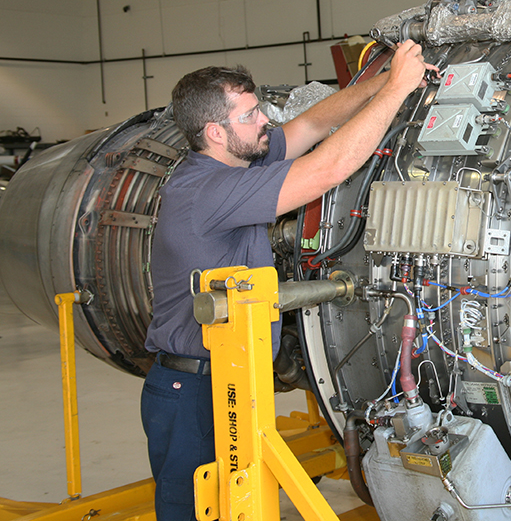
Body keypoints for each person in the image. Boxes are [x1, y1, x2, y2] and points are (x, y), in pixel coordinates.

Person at [141, 40, 434, 521]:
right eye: (252, 115)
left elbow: (315, 124)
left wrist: (383, 82)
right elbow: (329, 168)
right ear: (215, 131)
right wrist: (397, 89)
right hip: (192, 393)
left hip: (233, 380)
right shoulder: (207, 190)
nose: (266, 123)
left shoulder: (239, 160)